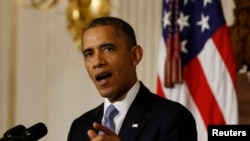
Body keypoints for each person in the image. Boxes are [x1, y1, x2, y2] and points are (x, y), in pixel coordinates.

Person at [67, 16, 197, 141]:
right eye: (89, 54)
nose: (97, 62)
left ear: (135, 55)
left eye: (108, 49)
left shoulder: (171, 118)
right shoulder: (79, 127)